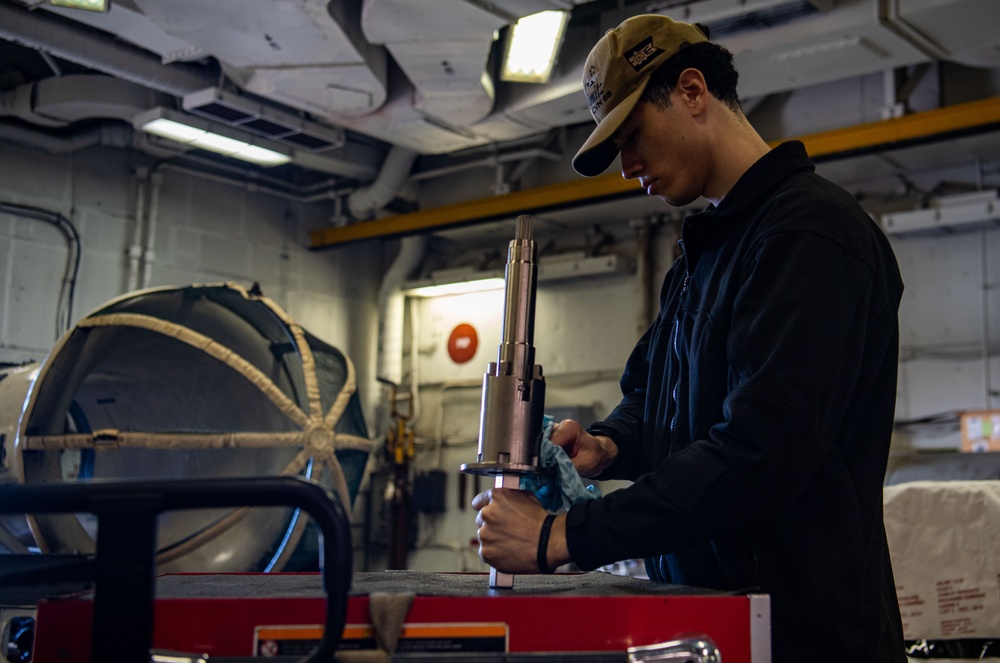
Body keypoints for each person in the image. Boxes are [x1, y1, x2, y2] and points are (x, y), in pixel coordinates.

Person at [472, 13, 906, 663]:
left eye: (632, 134)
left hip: (802, 635)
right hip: (710, 625)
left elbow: (759, 454)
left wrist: (561, 536)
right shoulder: (700, 258)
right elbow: (660, 404)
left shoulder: (811, 235)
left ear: (693, 91)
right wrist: (607, 445)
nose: (626, 166)